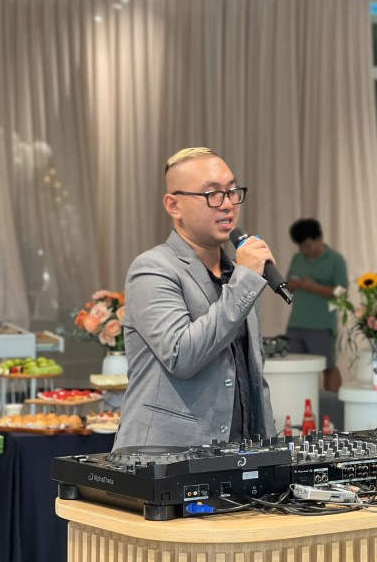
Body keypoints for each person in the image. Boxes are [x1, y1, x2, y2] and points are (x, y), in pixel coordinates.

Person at [113, 147, 276, 449]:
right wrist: (245, 281)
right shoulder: (152, 268)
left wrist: (269, 449)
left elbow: (253, 374)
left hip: (237, 453)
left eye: (232, 192)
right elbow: (182, 356)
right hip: (166, 455)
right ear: (173, 205)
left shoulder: (236, 274)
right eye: (212, 194)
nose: (227, 204)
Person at [285, 218, 349, 393]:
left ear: (319, 238)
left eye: (307, 245)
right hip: (296, 323)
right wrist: (291, 284)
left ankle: (333, 404)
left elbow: (342, 292)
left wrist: (314, 287)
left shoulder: (335, 259)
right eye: (300, 247)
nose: (304, 250)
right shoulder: (297, 258)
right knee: (292, 365)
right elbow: (287, 287)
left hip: (322, 324)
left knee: (328, 366)